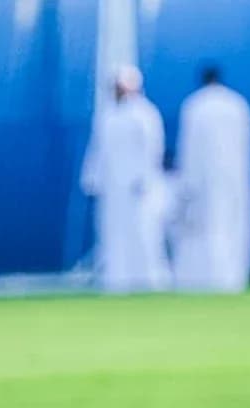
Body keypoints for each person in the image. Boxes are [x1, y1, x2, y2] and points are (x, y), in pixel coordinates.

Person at [81, 65, 170, 293]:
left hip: (140, 188)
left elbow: (153, 148)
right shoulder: (108, 115)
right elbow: (98, 149)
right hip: (113, 189)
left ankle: (151, 281)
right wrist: (92, 179)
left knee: (144, 233)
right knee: (111, 233)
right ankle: (116, 280)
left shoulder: (146, 114)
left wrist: (145, 179)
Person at [172, 65, 250, 293]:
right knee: (232, 228)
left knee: (206, 230)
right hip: (234, 179)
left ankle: (210, 278)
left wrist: (186, 183)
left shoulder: (194, 105)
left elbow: (187, 148)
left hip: (203, 181)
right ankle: (230, 279)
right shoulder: (237, 104)